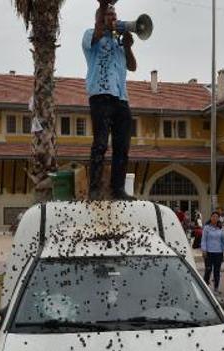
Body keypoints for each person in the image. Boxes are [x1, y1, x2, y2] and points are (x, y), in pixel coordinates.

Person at [83, 0, 137, 201]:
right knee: (100, 143)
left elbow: (132, 66)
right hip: (100, 96)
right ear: (101, 16)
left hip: (121, 99)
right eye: (109, 15)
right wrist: (103, 5)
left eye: (115, 15)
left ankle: (118, 189)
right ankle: (94, 189)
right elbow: (98, 31)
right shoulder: (91, 35)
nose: (113, 18)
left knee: (122, 146)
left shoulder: (119, 42)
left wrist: (128, 46)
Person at [201, 211, 224, 294]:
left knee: (217, 271)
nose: (214, 218)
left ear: (218, 219)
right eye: (213, 216)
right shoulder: (206, 228)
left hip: (218, 252)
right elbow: (203, 240)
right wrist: (204, 250)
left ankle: (216, 288)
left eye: (216, 217)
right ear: (210, 218)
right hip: (209, 252)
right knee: (208, 270)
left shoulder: (221, 228)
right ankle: (205, 286)